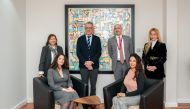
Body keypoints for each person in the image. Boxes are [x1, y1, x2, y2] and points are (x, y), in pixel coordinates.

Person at [76, 21, 102, 95]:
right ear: (85, 29)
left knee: (93, 86)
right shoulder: (80, 39)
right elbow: (78, 53)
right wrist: (86, 63)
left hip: (94, 66)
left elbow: (98, 52)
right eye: (87, 28)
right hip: (83, 67)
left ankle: (92, 104)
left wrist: (91, 62)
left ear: (92, 29)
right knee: (84, 85)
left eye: (90, 28)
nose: (88, 29)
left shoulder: (97, 39)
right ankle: (85, 105)